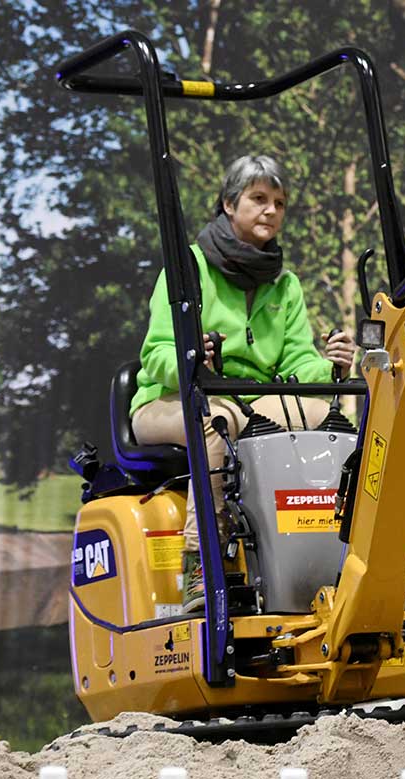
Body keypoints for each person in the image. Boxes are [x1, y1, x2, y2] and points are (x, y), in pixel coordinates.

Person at [129, 155, 356, 606]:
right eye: (259, 199)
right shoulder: (186, 269)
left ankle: (324, 558)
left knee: (325, 419)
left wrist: (332, 366)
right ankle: (200, 566)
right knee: (216, 424)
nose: (271, 210)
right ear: (229, 204)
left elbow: (295, 362)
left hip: (249, 401)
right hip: (170, 398)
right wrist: (192, 360)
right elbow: (155, 355)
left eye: (279, 202)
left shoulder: (285, 284)